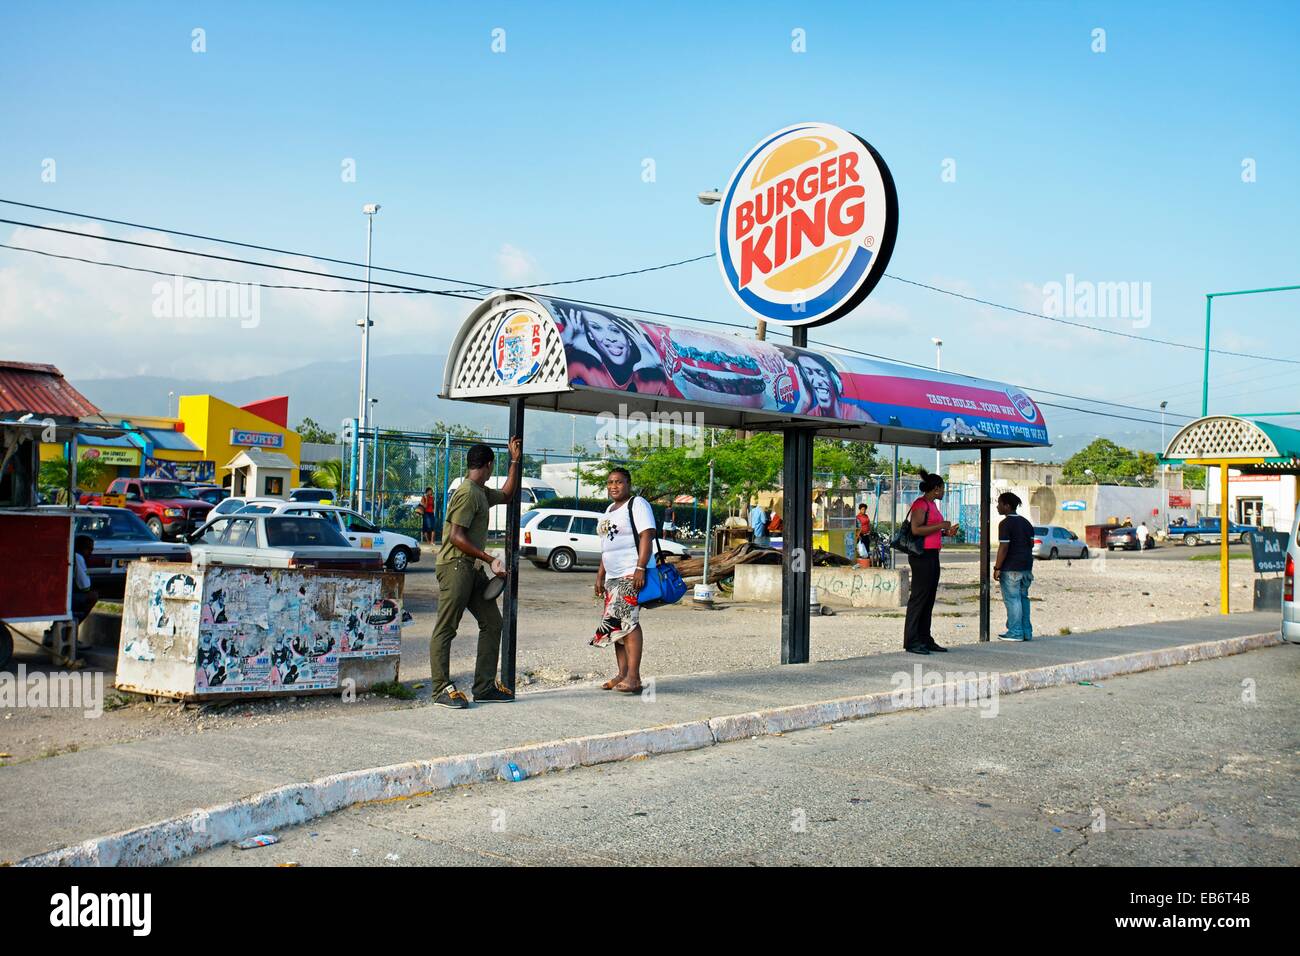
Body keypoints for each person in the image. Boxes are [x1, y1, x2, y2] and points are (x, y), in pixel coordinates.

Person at [429, 437, 523, 710]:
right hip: (455, 566)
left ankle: (484, 688)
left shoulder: (480, 491)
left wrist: (515, 460)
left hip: (470, 568)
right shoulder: (469, 493)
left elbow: (506, 494)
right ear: (489, 465)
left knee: (493, 622)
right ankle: (440, 689)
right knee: (447, 627)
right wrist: (489, 558)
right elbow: (457, 537)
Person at [593, 467, 655, 693]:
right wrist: (600, 575)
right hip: (612, 576)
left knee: (629, 624)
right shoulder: (609, 509)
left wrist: (640, 567)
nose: (613, 486)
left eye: (618, 482)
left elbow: (647, 535)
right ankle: (622, 674)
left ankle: (634, 677)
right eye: (610, 482)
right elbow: (606, 546)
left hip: (630, 572)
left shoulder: (637, 504)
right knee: (615, 627)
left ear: (628, 484)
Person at [903, 470, 954, 654]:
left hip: (932, 554)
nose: (944, 492)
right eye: (942, 488)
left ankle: (925, 638)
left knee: (929, 597)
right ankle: (912, 640)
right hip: (921, 555)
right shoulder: (920, 504)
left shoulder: (932, 505)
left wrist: (945, 532)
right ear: (936, 488)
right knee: (919, 597)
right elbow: (916, 530)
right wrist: (941, 526)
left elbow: (930, 530)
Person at [993, 492, 1034, 642]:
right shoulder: (1026, 523)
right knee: (1023, 598)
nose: (997, 506)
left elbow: (1003, 547)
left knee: (1012, 600)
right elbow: (1030, 544)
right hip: (1026, 567)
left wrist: (997, 567)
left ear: (1007, 506)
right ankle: (1026, 631)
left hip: (1011, 568)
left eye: (999, 503)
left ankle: (1015, 632)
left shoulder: (1005, 524)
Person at [71, 534, 99, 623]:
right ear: (81, 548)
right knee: (93, 596)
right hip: (70, 598)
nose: (90, 553)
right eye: (89, 549)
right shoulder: (78, 558)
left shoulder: (73, 556)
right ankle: (77, 622)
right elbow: (85, 586)